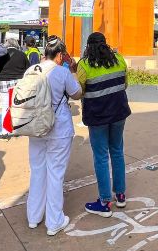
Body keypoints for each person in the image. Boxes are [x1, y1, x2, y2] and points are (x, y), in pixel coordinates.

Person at [26, 36, 82, 235]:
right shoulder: (61, 72)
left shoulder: (31, 70)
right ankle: (54, 221)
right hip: (59, 128)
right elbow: (76, 93)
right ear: (60, 55)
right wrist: (72, 72)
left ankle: (34, 217)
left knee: (37, 171)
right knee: (55, 174)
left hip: (35, 128)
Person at [77, 32, 131, 217]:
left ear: (88, 46)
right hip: (119, 114)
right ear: (105, 44)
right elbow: (125, 84)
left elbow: (78, 91)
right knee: (117, 152)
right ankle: (121, 195)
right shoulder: (119, 59)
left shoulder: (84, 65)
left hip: (97, 117)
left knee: (101, 157)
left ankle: (105, 202)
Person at [0, 38, 29, 137]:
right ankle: (17, 130)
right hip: (18, 83)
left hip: (4, 82)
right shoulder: (22, 54)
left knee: (5, 106)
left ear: (7, 44)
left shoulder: (1, 55)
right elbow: (28, 69)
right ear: (16, 44)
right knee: (17, 106)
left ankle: (5, 132)